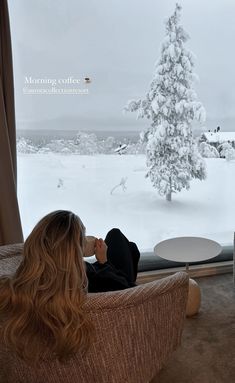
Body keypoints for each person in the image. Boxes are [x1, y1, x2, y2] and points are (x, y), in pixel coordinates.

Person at [0, 210, 140, 365]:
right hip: (106, 282)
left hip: (78, 274)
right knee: (119, 238)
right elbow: (132, 291)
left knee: (126, 244)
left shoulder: (17, 284)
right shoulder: (95, 279)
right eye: (82, 238)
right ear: (74, 250)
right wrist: (104, 262)